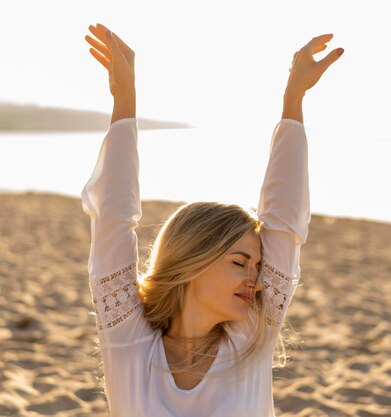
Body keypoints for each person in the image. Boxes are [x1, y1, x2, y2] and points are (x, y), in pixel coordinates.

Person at [81, 22, 343, 417]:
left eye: (256, 264)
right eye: (239, 262)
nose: (255, 279)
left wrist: (294, 97)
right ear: (190, 262)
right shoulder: (128, 338)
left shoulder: (252, 335)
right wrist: (125, 96)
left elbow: (284, 224)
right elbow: (113, 218)